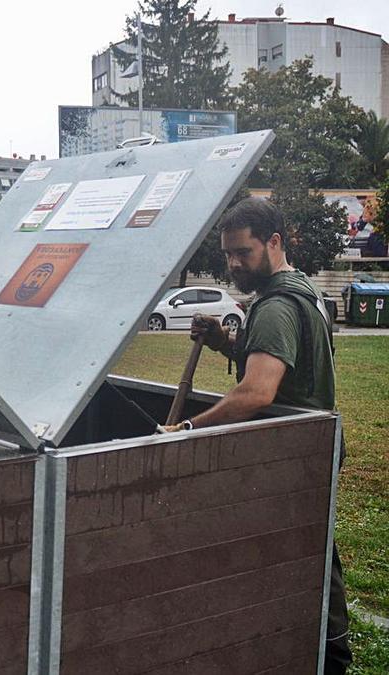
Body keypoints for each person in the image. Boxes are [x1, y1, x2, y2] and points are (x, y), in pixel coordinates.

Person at [156, 197, 350, 674]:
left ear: (274, 242)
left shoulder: (278, 305)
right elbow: (279, 362)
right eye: (228, 254)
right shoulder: (300, 288)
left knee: (308, 553)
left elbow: (258, 392)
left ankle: (330, 653)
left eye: (243, 252)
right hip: (310, 444)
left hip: (291, 449)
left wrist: (185, 430)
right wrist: (226, 342)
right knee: (309, 544)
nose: (233, 263)